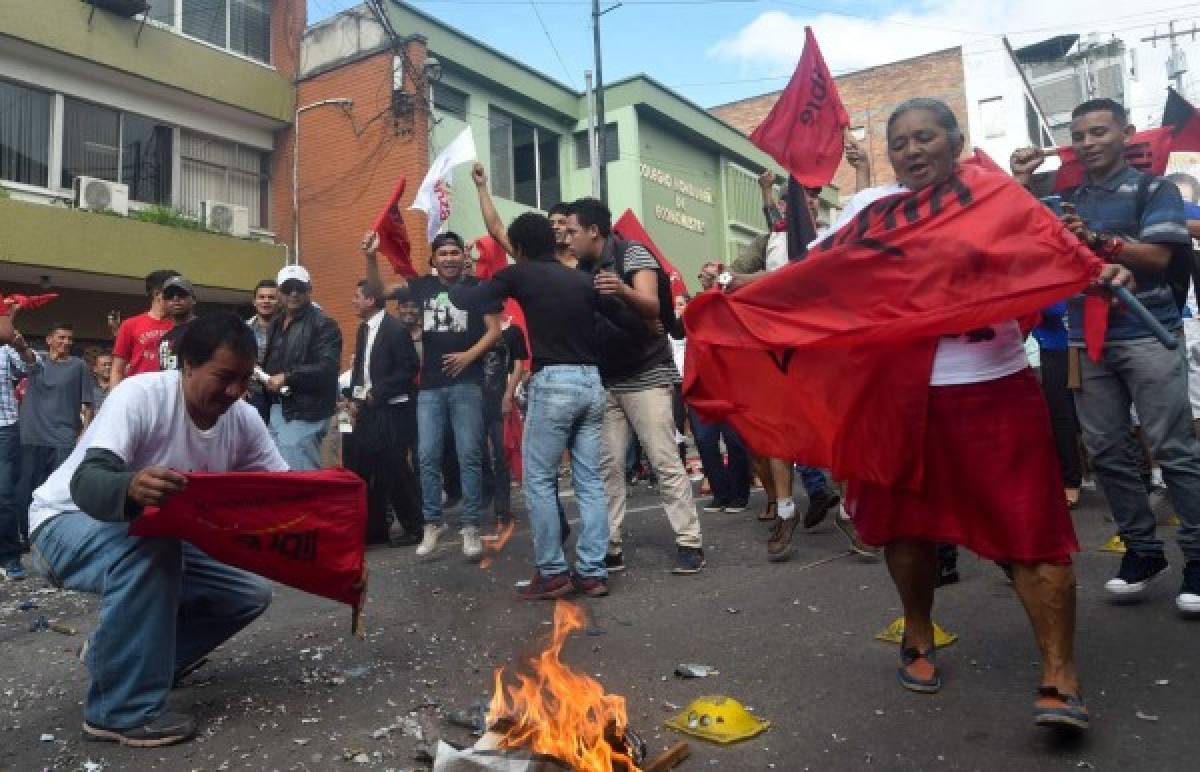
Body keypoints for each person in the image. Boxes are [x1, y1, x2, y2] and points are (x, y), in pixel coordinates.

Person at [842, 97, 1132, 730]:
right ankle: (918, 632)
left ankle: (1060, 672)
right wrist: (741, 301)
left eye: (926, 138)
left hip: (994, 387)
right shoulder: (866, 210)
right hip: (897, 398)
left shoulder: (999, 200)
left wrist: (1096, 268)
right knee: (905, 527)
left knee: (1033, 534)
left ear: (954, 141)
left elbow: (1051, 258)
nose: (914, 151)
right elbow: (822, 281)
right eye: (902, 143)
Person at [27, 312, 285, 747]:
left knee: (246, 594)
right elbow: (87, 482)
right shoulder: (139, 395)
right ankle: (118, 711)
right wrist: (129, 485)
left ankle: (118, 661)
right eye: (224, 377)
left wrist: (338, 528)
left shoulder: (243, 419)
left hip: (147, 537)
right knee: (152, 543)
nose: (236, 392)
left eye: (245, 379)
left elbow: (285, 492)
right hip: (62, 524)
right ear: (187, 365)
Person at [1013, 98, 1200, 615]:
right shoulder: (1063, 195)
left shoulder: (1153, 189)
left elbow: (1160, 257)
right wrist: (1024, 180)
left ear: (1126, 133)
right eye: (1080, 133)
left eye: (1099, 131)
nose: (1089, 141)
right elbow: (1015, 228)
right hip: (1085, 339)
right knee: (1108, 450)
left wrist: (1098, 240)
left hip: (1147, 332)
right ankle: (1142, 552)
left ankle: (1198, 557)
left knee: (1172, 447)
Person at [450, 212, 615, 598]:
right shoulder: (581, 279)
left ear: (519, 247)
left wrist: (455, 281)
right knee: (590, 481)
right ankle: (592, 572)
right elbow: (615, 318)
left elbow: (471, 299)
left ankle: (553, 571)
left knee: (540, 479)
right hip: (592, 381)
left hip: (553, 381)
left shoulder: (519, 273)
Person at [566, 197, 706, 575]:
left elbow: (652, 307)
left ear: (594, 231)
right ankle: (610, 545)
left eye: (572, 231)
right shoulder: (581, 268)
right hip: (606, 379)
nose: (568, 238)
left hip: (646, 374)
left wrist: (622, 291)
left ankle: (690, 541)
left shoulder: (633, 254)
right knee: (609, 467)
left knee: (664, 459)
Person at [728, 175, 841, 559]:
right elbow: (738, 273)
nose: (806, 203)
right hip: (775, 344)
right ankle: (787, 510)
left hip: (822, 345)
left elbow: (790, 276)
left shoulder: (833, 235)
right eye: (798, 197)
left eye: (812, 197)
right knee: (777, 428)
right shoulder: (770, 239)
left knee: (832, 425)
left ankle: (848, 509)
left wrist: (738, 279)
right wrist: (722, 278)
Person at [400, 232, 500, 561]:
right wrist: (372, 257)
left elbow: (494, 331)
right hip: (429, 387)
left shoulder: (477, 289)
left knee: (469, 454)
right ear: (433, 259)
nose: (448, 258)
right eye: (442, 253)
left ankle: (470, 526)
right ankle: (433, 523)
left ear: (462, 256)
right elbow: (378, 291)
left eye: (454, 252)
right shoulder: (422, 287)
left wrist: (468, 356)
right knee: (426, 456)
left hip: (467, 385)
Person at [343, 277, 422, 546]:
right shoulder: (363, 329)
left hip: (392, 409)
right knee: (367, 466)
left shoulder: (395, 329)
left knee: (395, 468)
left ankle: (415, 526)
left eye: (357, 296)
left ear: (371, 300)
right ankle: (375, 530)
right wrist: (353, 399)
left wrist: (379, 392)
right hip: (366, 409)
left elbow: (409, 369)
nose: (353, 301)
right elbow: (359, 371)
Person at [261, 265, 342, 471]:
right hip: (278, 408)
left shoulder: (324, 324)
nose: (294, 293)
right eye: (288, 288)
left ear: (310, 289)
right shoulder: (276, 323)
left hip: (306, 411)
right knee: (279, 474)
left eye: (300, 287)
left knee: (301, 477)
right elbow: (274, 363)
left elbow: (328, 367)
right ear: (279, 291)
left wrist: (288, 377)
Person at [16, 322, 94, 527]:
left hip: (63, 437)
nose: (66, 342)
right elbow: (26, 359)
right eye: (61, 337)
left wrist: (83, 435)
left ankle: (50, 533)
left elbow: (88, 404)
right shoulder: (36, 362)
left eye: (69, 338)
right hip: (31, 435)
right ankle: (25, 532)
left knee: (58, 492)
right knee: (27, 489)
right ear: (49, 340)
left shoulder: (78, 365)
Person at [0, 329, 38, 580]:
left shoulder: (5, 349)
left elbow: (34, 368)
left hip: (4, 427)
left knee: (3, 493)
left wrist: (23, 347)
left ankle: (9, 555)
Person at [111, 269, 179, 387]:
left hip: (172, 392)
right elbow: (117, 369)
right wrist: (115, 399)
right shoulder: (130, 324)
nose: (177, 297)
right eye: (172, 293)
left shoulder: (182, 326)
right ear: (157, 294)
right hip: (139, 392)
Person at [157, 276, 198, 371]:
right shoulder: (164, 339)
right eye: (169, 296)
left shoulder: (205, 328)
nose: (175, 298)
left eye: (181, 294)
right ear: (164, 302)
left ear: (193, 299)